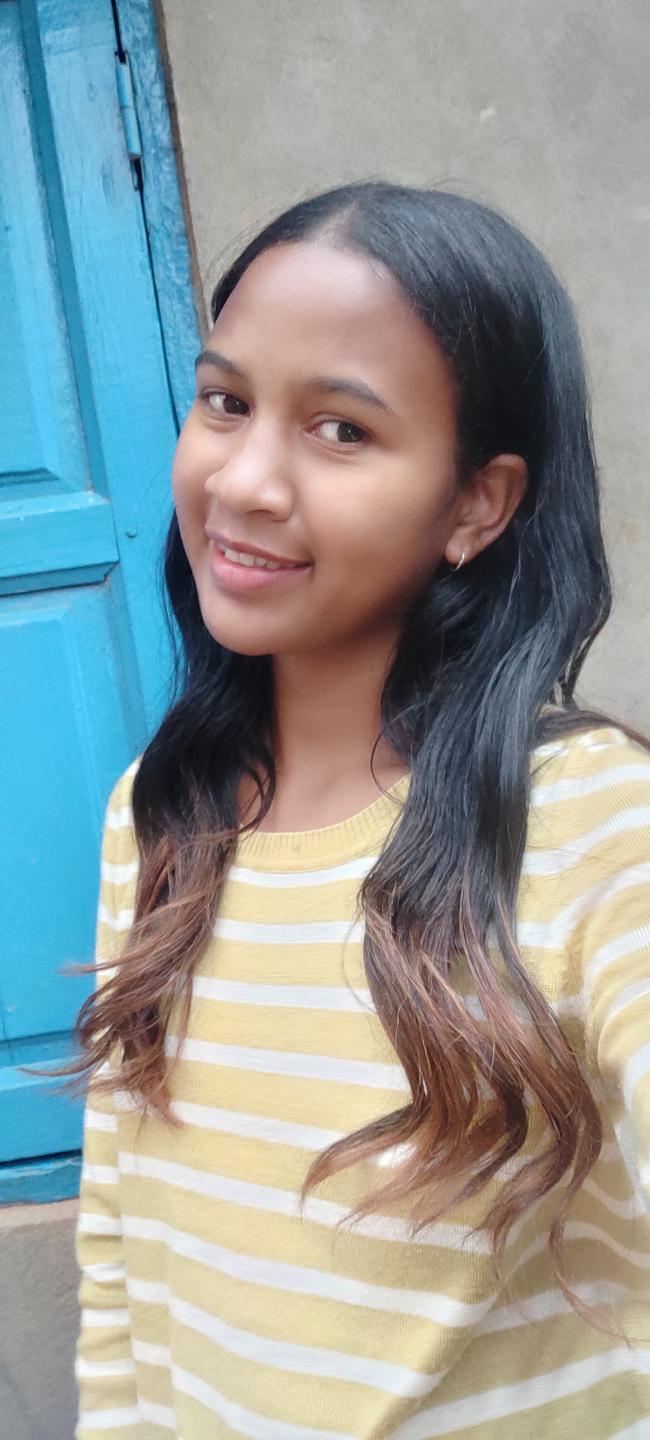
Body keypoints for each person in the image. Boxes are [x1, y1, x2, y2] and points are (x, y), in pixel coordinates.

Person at [73, 182, 650, 1440]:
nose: (245, 481)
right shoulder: (160, 812)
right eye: (226, 402)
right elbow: (121, 1223)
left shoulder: (583, 822)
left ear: (476, 504)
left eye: (340, 430)